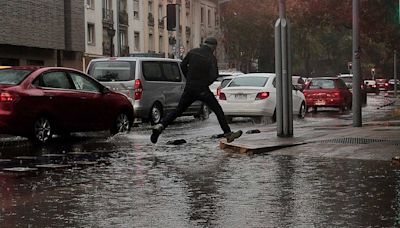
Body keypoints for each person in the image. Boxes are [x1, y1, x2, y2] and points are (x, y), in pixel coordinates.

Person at [151, 37, 242, 144]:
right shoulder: (211, 57)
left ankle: (161, 126)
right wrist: (205, 83)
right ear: (213, 47)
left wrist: (188, 78)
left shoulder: (193, 52)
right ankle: (228, 133)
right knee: (217, 110)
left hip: (190, 87)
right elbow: (214, 75)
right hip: (202, 89)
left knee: (178, 110)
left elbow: (182, 65)